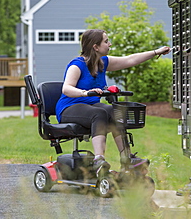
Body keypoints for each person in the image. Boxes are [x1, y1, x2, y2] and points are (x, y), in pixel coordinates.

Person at [55, 29, 170, 174]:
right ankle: (99, 160)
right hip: (69, 107)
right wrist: (85, 93)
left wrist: (156, 52)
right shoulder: (77, 65)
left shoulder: (102, 62)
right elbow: (66, 89)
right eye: (106, 41)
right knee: (99, 114)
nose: (109, 44)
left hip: (90, 106)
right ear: (95, 47)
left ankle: (126, 158)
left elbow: (130, 59)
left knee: (115, 111)